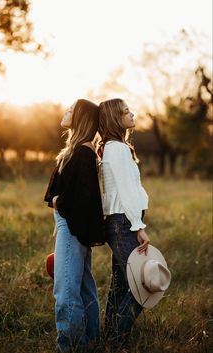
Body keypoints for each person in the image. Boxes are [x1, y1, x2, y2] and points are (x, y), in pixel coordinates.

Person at [44, 99, 106, 352]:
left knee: (66, 292)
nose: (66, 111)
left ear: (80, 118)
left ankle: (71, 347)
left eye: (72, 109)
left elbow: (85, 197)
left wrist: (59, 201)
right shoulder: (79, 149)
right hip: (71, 225)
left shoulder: (83, 152)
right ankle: (91, 341)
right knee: (83, 287)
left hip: (72, 225)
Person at [98, 98, 150, 348]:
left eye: (130, 109)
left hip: (120, 220)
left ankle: (110, 337)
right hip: (124, 221)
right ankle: (115, 341)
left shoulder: (116, 146)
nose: (131, 114)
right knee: (145, 284)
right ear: (114, 119)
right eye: (125, 112)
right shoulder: (116, 149)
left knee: (120, 285)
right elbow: (128, 191)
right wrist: (138, 226)